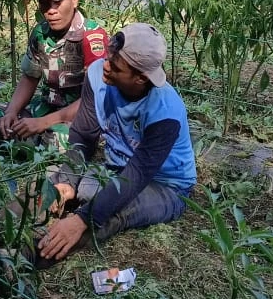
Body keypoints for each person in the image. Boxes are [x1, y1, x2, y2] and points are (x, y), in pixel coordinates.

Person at [33, 22, 197, 268]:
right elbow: (84, 134)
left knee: (112, 212)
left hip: (165, 186)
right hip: (116, 169)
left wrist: (82, 220)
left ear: (141, 78)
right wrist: (67, 181)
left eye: (116, 66)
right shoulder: (98, 75)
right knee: (54, 184)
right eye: (109, 57)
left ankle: (30, 255)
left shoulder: (166, 112)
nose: (105, 66)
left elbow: (137, 175)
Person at [0, 0, 107, 150]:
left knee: (60, 141)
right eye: (45, 4)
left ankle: (26, 145)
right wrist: (11, 112)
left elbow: (94, 100)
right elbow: (29, 77)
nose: (51, 11)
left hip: (78, 116)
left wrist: (43, 123)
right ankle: (27, 143)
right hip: (44, 108)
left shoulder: (92, 37)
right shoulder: (40, 34)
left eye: (57, 2)